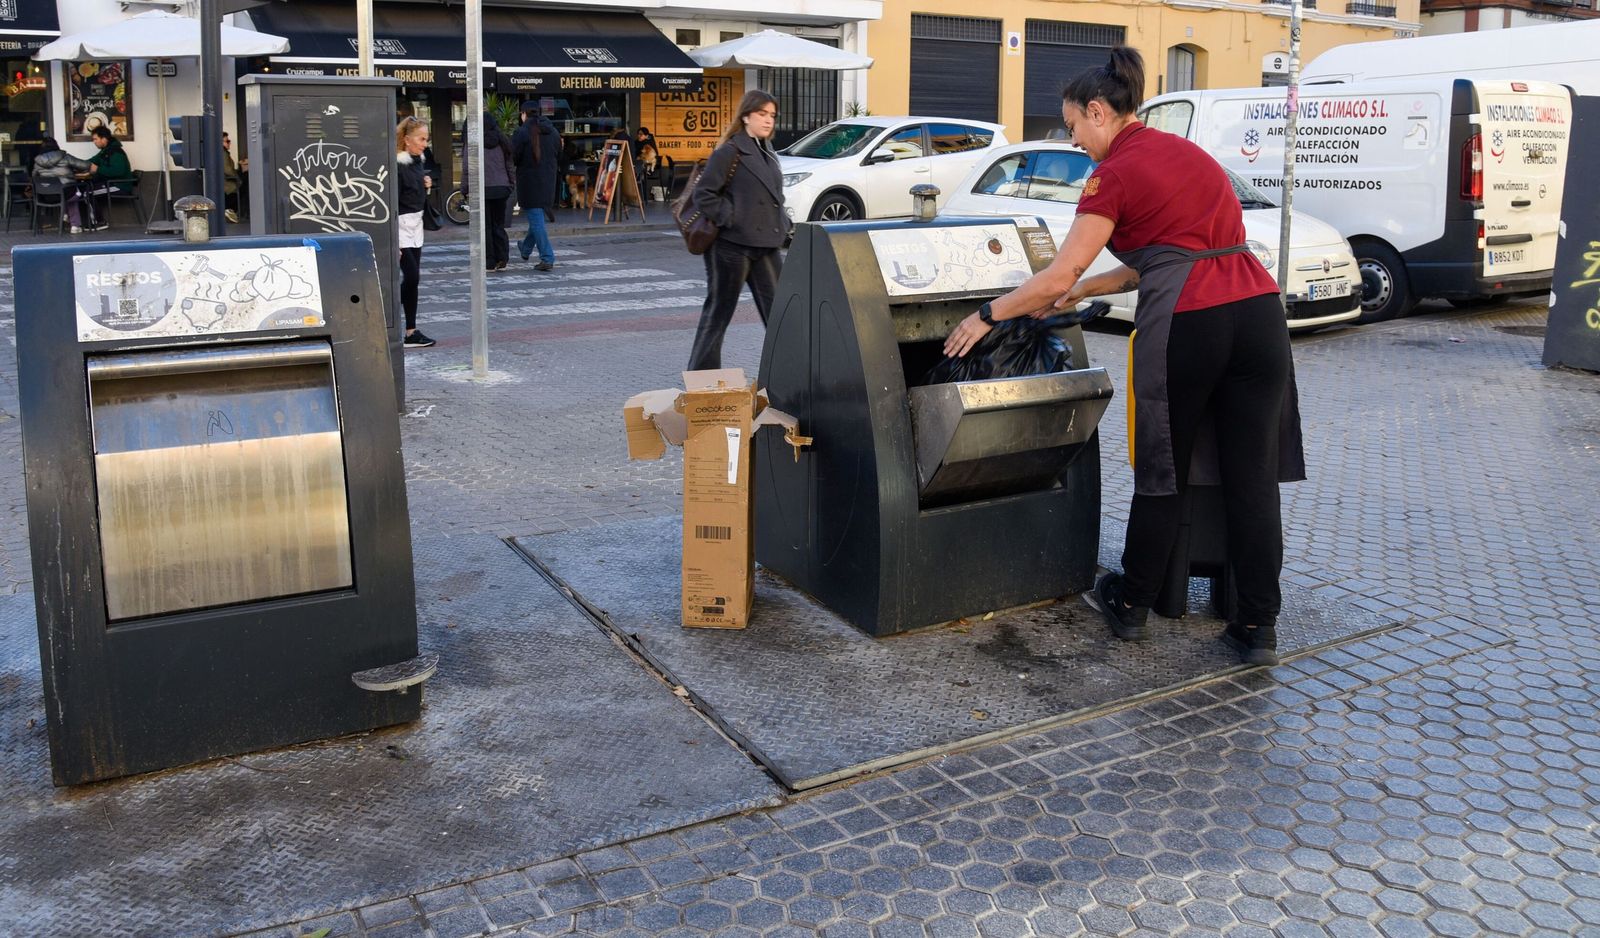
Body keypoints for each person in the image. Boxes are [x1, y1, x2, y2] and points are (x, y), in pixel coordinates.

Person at [942, 48, 1303, 667]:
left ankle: (1132, 603)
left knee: (1164, 466)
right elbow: (1170, 254)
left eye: (1073, 126)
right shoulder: (1186, 153)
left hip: (1191, 320)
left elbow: (1059, 272)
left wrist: (987, 315)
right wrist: (1087, 289)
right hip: (1258, 312)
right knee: (1253, 477)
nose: (1074, 141)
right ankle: (1257, 628)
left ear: (1098, 111)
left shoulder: (1112, 174)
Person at [685, 90, 786, 371]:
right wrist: (731, 217)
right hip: (731, 247)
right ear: (746, 116)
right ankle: (702, 377)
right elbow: (704, 194)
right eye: (762, 114)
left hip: (765, 244)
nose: (768, 120)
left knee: (780, 315)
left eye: (772, 115)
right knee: (718, 313)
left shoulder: (768, 152)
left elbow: (775, 196)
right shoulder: (729, 151)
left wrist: (784, 224)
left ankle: (787, 376)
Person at [396, 116, 434, 348]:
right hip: (400, 226)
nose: (424, 144)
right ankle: (390, 317)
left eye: (426, 139)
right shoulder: (397, 165)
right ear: (406, 139)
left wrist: (426, 186)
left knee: (413, 280)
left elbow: (415, 195)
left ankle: (411, 331)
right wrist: (394, 242)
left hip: (416, 225)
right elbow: (391, 202)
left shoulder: (418, 161)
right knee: (412, 277)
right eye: (421, 139)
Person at [462, 111, 516, 271]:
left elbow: (467, 168)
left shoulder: (473, 142)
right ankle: (502, 258)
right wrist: (511, 184)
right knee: (498, 224)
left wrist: (464, 189)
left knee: (485, 226)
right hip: (501, 188)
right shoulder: (502, 141)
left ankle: (489, 261)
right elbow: (509, 165)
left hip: (482, 188)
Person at [512, 100, 559, 271]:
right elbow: (559, 153)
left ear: (524, 114)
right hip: (548, 181)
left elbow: (514, 157)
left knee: (536, 220)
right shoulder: (553, 131)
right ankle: (525, 248)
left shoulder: (521, 132)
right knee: (536, 218)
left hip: (529, 183)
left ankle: (547, 257)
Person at [69, 126, 134, 233]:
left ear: (104, 139)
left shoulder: (116, 152)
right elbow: (90, 162)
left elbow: (119, 171)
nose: (94, 142)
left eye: (95, 139)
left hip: (119, 185)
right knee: (84, 189)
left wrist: (98, 169)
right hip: (109, 184)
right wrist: (74, 166)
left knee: (86, 193)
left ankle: (100, 222)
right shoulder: (105, 151)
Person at [221, 131, 246, 224]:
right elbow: (227, 169)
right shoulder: (223, 153)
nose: (229, 143)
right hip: (228, 184)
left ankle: (230, 211)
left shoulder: (222, 153)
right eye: (227, 141)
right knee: (243, 185)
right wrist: (237, 177)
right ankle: (229, 211)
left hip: (225, 182)